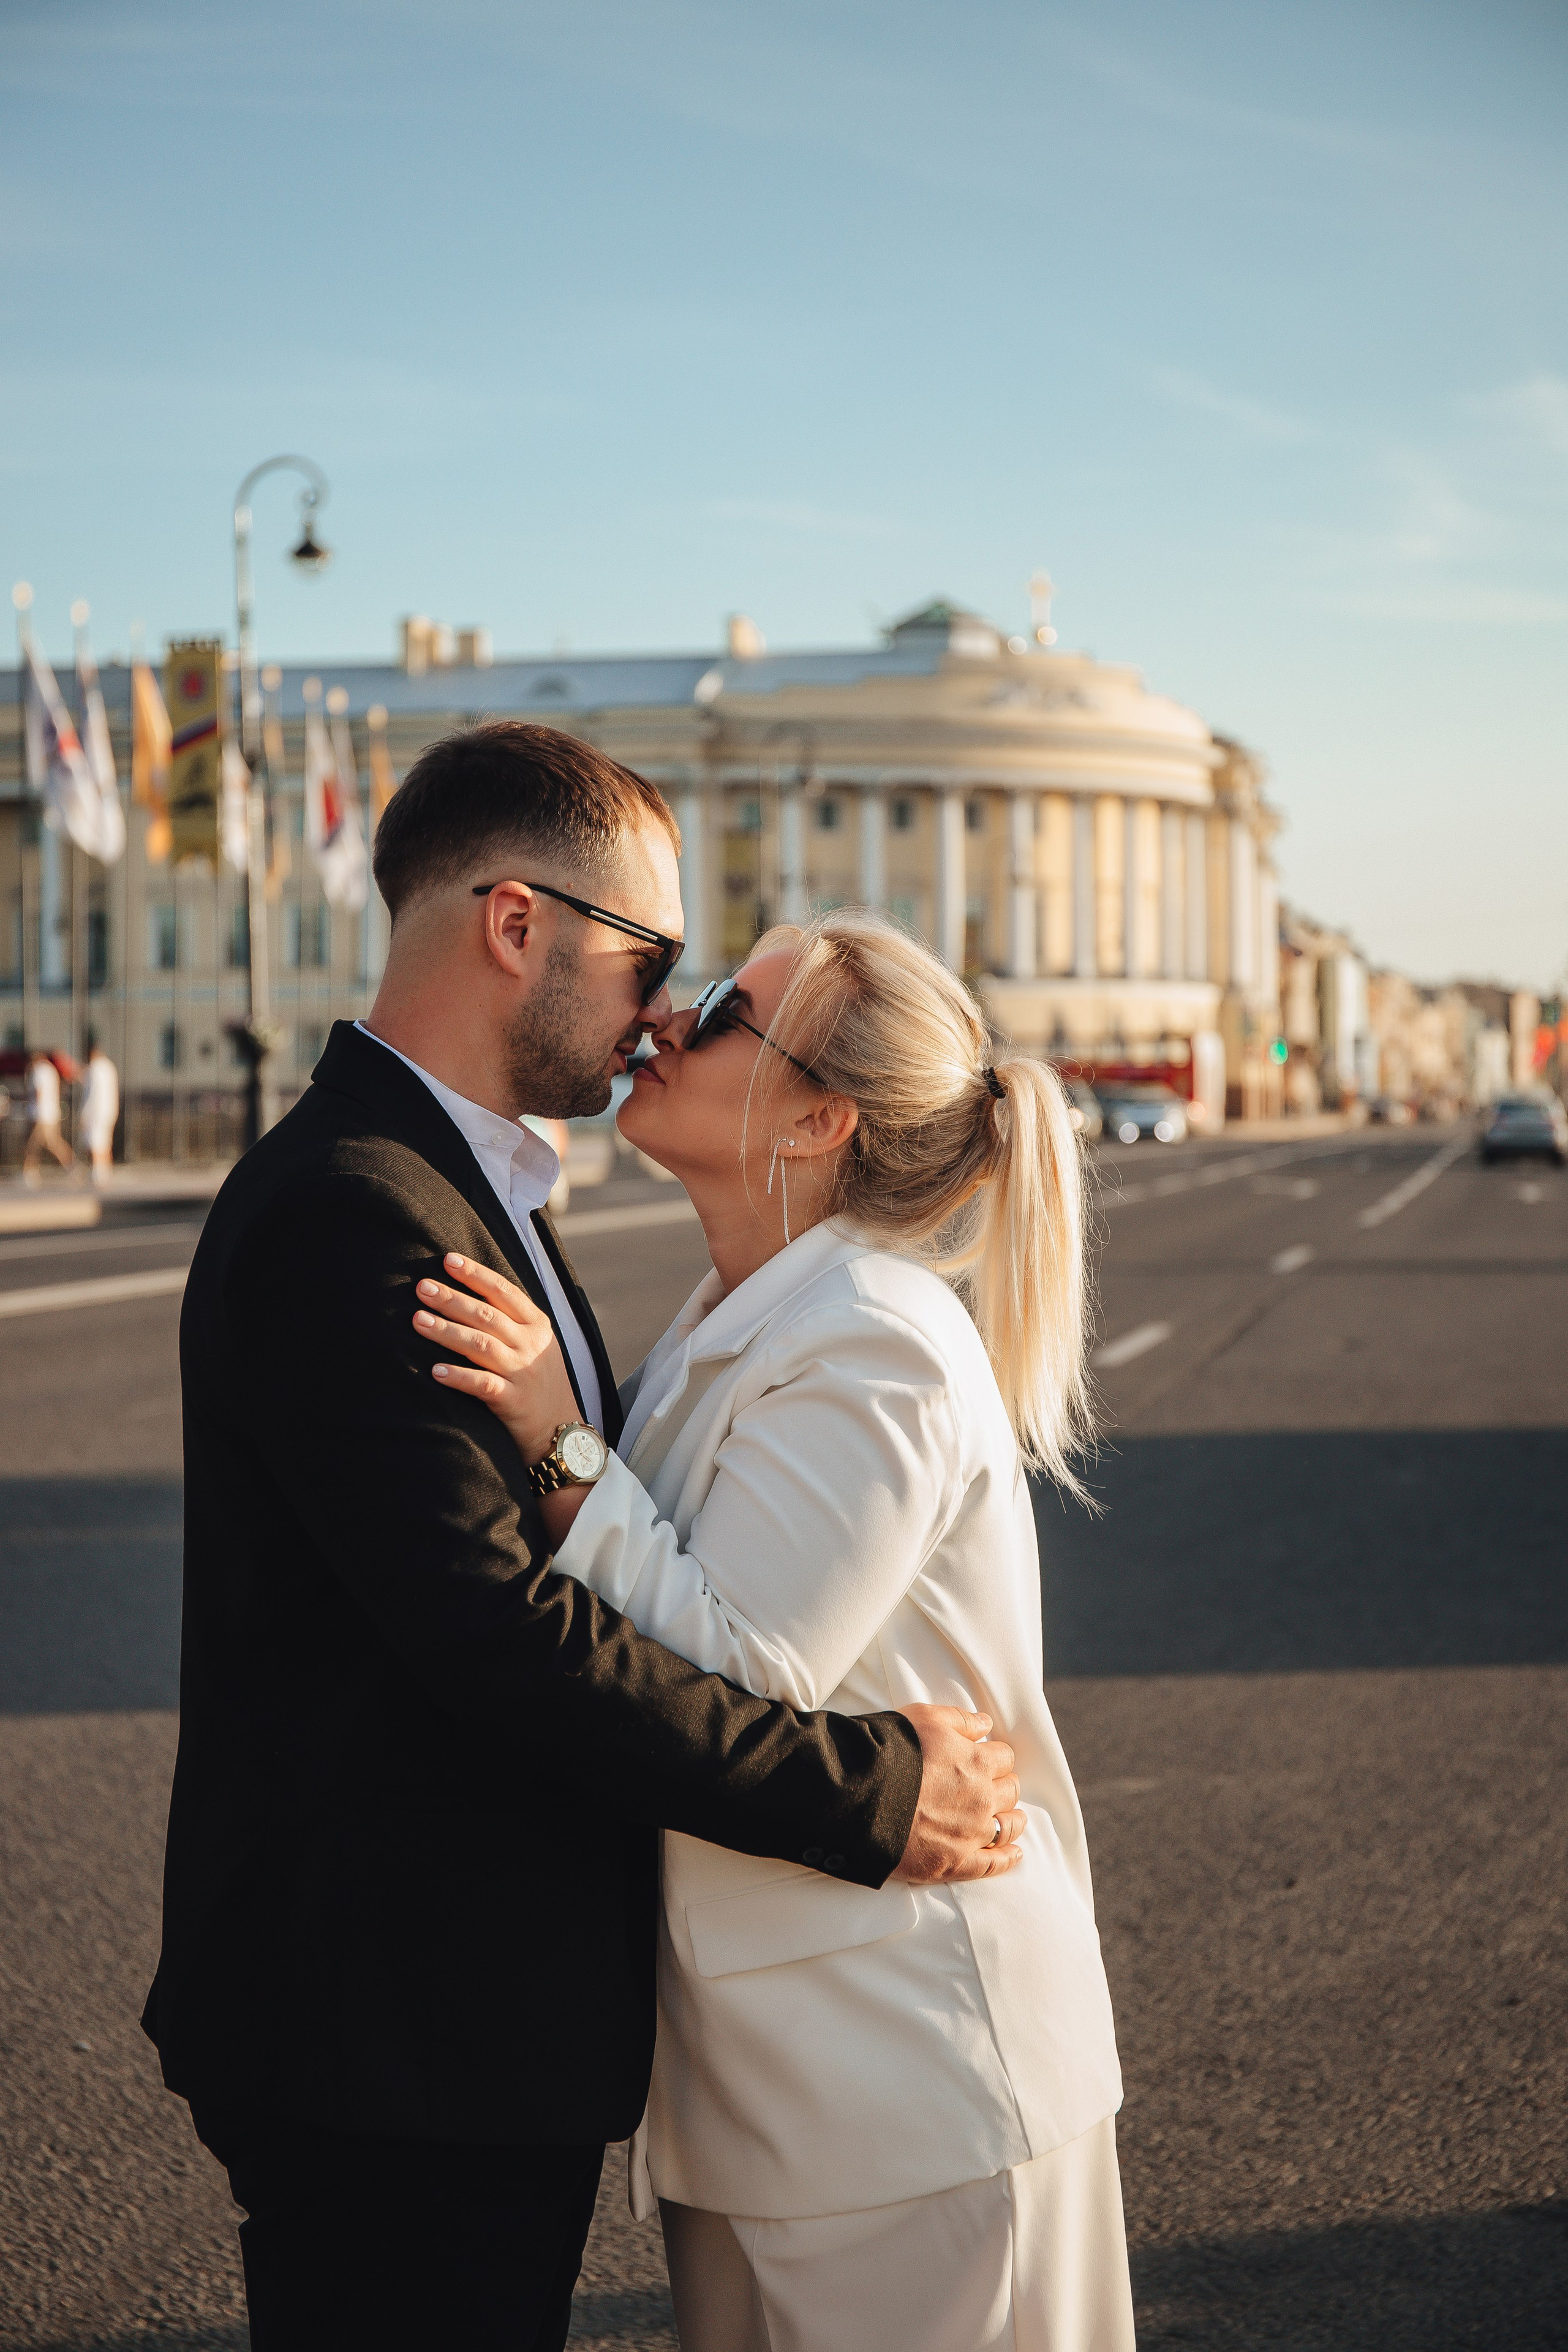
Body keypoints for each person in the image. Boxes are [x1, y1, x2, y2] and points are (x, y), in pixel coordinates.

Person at [143, 724, 1021, 2352]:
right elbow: (505, 1637)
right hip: (396, 2035)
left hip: (456, 2027)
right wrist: (875, 1792)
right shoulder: (364, 1203)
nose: (660, 1011)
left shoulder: (476, 1193)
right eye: (650, 956)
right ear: (517, 923)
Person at [403, 909, 1134, 2351]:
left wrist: (557, 1444)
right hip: (773, 2079)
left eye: (727, 1008)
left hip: (911, 2082)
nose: (667, 1016)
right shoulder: (739, 1313)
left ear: (816, 1118)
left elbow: (735, 1671)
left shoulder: (873, 1334)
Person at [21, 1048, 75, 1185]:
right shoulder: (51, 1070)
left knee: (31, 1145)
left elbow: (39, 1093)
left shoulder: (39, 1071)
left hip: (41, 1115)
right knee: (54, 1144)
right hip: (51, 1114)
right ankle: (72, 1166)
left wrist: (33, 1110)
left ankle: (30, 1173)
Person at [77, 1041, 119, 1186]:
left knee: (95, 1141)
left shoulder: (94, 1068)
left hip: (96, 1111)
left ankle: (97, 1173)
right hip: (109, 1110)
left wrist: (84, 1113)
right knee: (105, 1141)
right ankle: (105, 1171)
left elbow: (91, 1094)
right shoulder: (109, 1066)